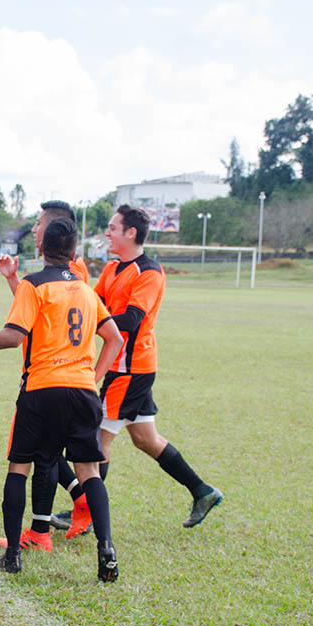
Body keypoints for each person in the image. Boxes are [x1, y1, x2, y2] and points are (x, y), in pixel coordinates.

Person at [0, 217, 123, 580]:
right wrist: (92, 378)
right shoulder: (87, 291)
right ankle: (106, 547)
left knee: (19, 468)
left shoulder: (34, 285)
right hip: (84, 392)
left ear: (41, 248)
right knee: (90, 473)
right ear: (74, 253)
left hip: (42, 390)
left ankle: (12, 557)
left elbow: (12, 336)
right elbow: (114, 338)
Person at [93, 205, 224, 530]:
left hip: (131, 368)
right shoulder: (111, 267)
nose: (107, 233)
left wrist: (92, 323)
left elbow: (133, 319)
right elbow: (92, 302)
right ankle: (202, 491)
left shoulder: (149, 272)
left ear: (130, 232)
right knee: (146, 439)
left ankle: (84, 514)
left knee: (97, 440)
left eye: (112, 228)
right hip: (125, 366)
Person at [0, 200, 88, 550]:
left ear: (54, 229)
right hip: (54, 376)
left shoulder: (72, 272)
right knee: (44, 451)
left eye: (38, 224)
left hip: (53, 377)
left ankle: (43, 530)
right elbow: (35, 312)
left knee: (40, 453)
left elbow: (31, 326)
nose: (34, 229)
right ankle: (76, 504)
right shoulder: (60, 269)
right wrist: (14, 280)